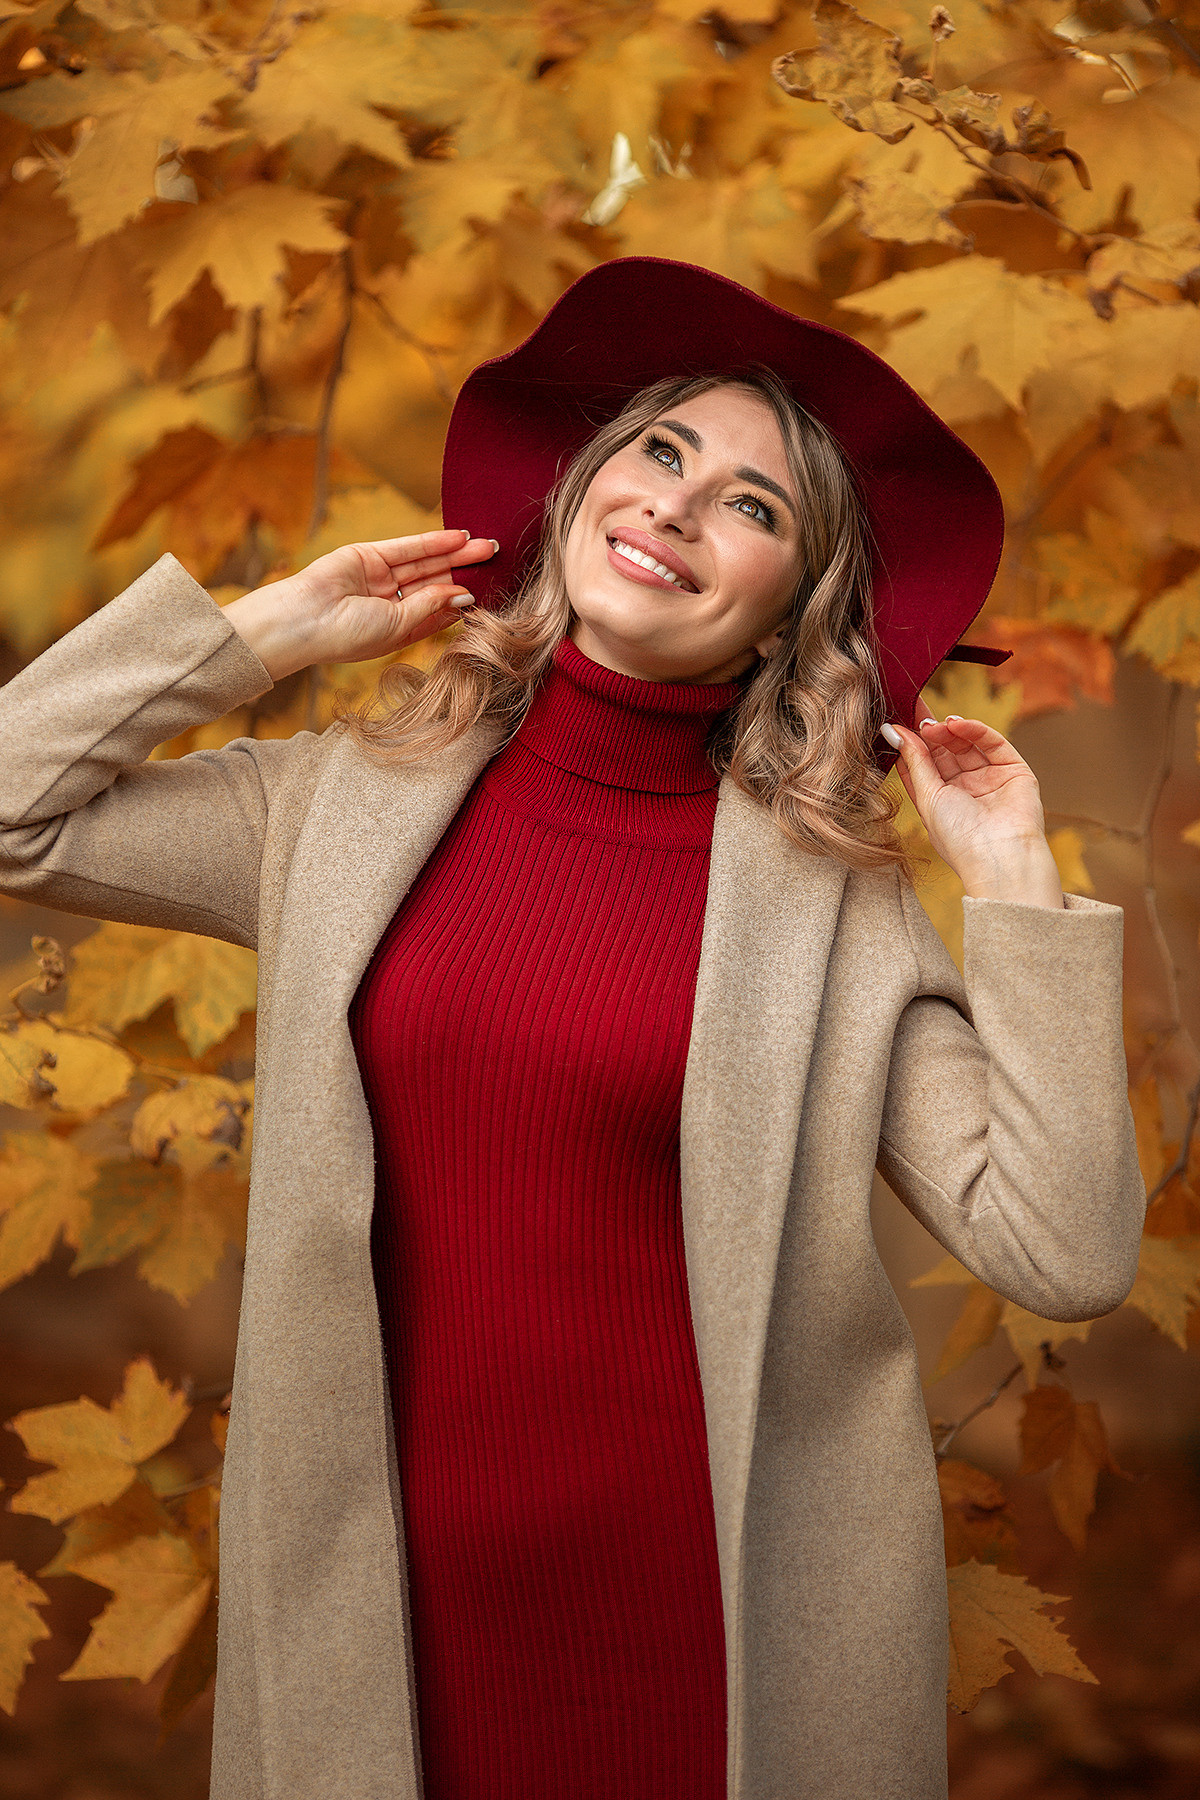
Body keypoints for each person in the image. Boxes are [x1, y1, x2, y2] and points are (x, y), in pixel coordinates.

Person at [0, 256, 1144, 1800]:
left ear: (795, 611)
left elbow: (1065, 1250)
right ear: (582, 490)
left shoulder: (834, 916)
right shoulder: (338, 807)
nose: (679, 507)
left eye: (756, 506)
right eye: (661, 453)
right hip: (380, 1604)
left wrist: (1013, 879)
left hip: (715, 1620)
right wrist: (261, 633)